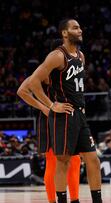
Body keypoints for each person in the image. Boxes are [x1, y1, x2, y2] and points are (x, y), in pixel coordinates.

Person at [28, 19, 102, 203]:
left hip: (80, 114)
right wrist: (51, 105)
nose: (80, 30)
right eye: (75, 28)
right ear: (64, 33)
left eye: (79, 26)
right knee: (63, 161)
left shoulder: (80, 56)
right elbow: (32, 83)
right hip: (64, 116)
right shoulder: (57, 56)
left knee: (93, 159)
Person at [18, 73, 81, 203]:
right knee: (54, 162)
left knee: (74, 160)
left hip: (69, 117)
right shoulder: (44, 72)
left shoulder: (67, 68)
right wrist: (44, 107)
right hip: (51, 121)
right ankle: (54, 200)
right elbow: (21, 91)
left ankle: (74, 199)